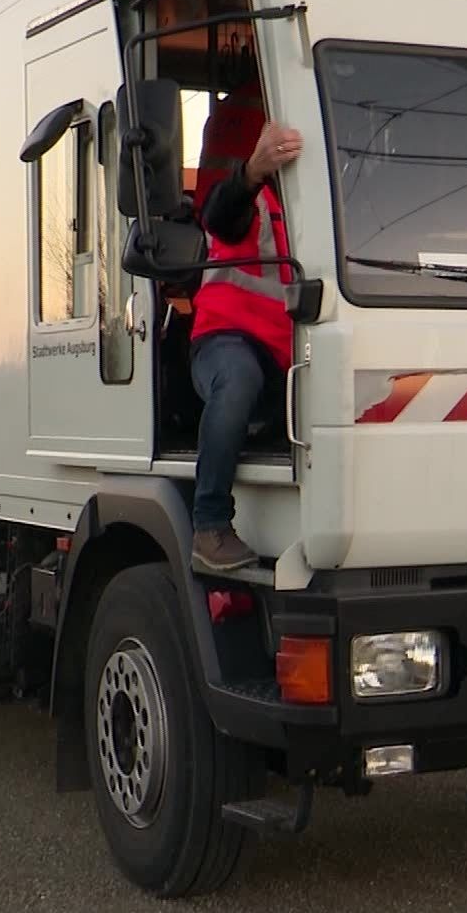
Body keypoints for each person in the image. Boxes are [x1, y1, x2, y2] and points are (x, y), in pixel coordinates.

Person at [187, 74, 300, 572]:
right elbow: (219, 214)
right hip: (224, 341)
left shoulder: (307, 209)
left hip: (285, 356)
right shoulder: (249, 198)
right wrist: (251, 170)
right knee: (237, 381)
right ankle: (209, 527)